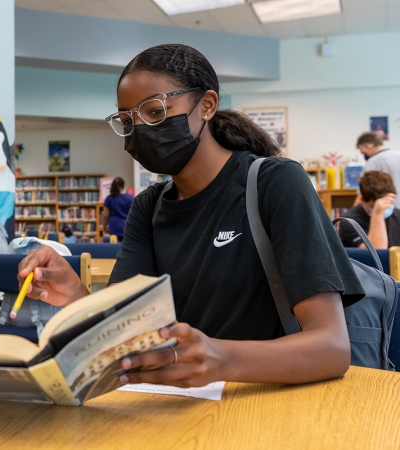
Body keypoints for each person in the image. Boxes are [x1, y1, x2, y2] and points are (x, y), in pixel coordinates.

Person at [18, 44, 363, 389]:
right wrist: (75, 294)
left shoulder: (275, 182)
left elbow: (331, 347)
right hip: (180, 408)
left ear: (207, 105)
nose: (140, 129)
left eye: (154, 111)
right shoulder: (148, 207)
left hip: (266, 403)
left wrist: (222, 359)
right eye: (127, 120)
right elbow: (123, 332)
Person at [340, 171, 399, 249]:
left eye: (389, 201)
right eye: (379, 204)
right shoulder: (349, 221)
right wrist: (378, 215)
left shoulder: (398, 215)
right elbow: (376, 253)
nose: (385, 207)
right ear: (362, 200)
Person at [103, 177, 134, 242]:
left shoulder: (109, 198)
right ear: (123, 186)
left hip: (114, 227)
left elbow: (105, 216)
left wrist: (104, 228)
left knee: (114, 248)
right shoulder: (130, 197)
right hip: (127, 226)